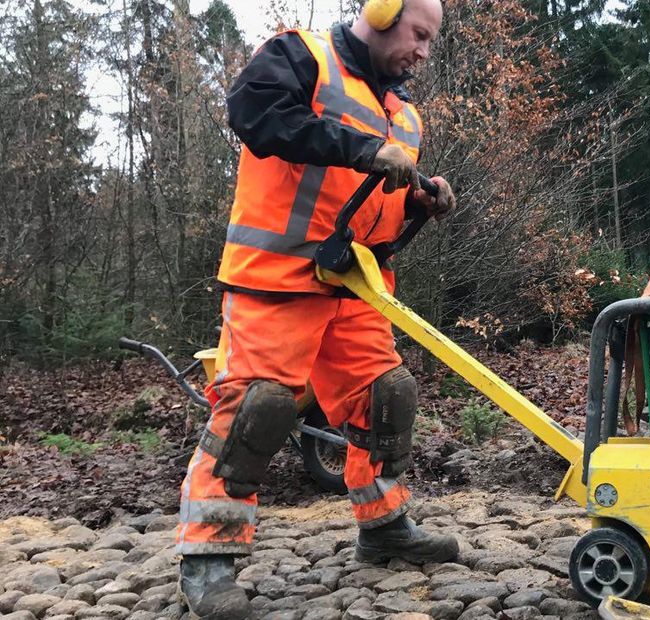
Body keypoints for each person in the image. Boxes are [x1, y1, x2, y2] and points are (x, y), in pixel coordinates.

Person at [175, 0, 458, 617]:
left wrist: (418, 203)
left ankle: (384, 527)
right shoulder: (302, 56)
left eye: (431, 41)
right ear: (382, 13)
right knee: (257, 408)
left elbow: (370, 203)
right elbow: (254, 115)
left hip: (353, 285)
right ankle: (207, 558)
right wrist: (359, 148)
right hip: (278, 276)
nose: (423, 52)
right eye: (418, 34)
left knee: (387, 396)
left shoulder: (404, 113)